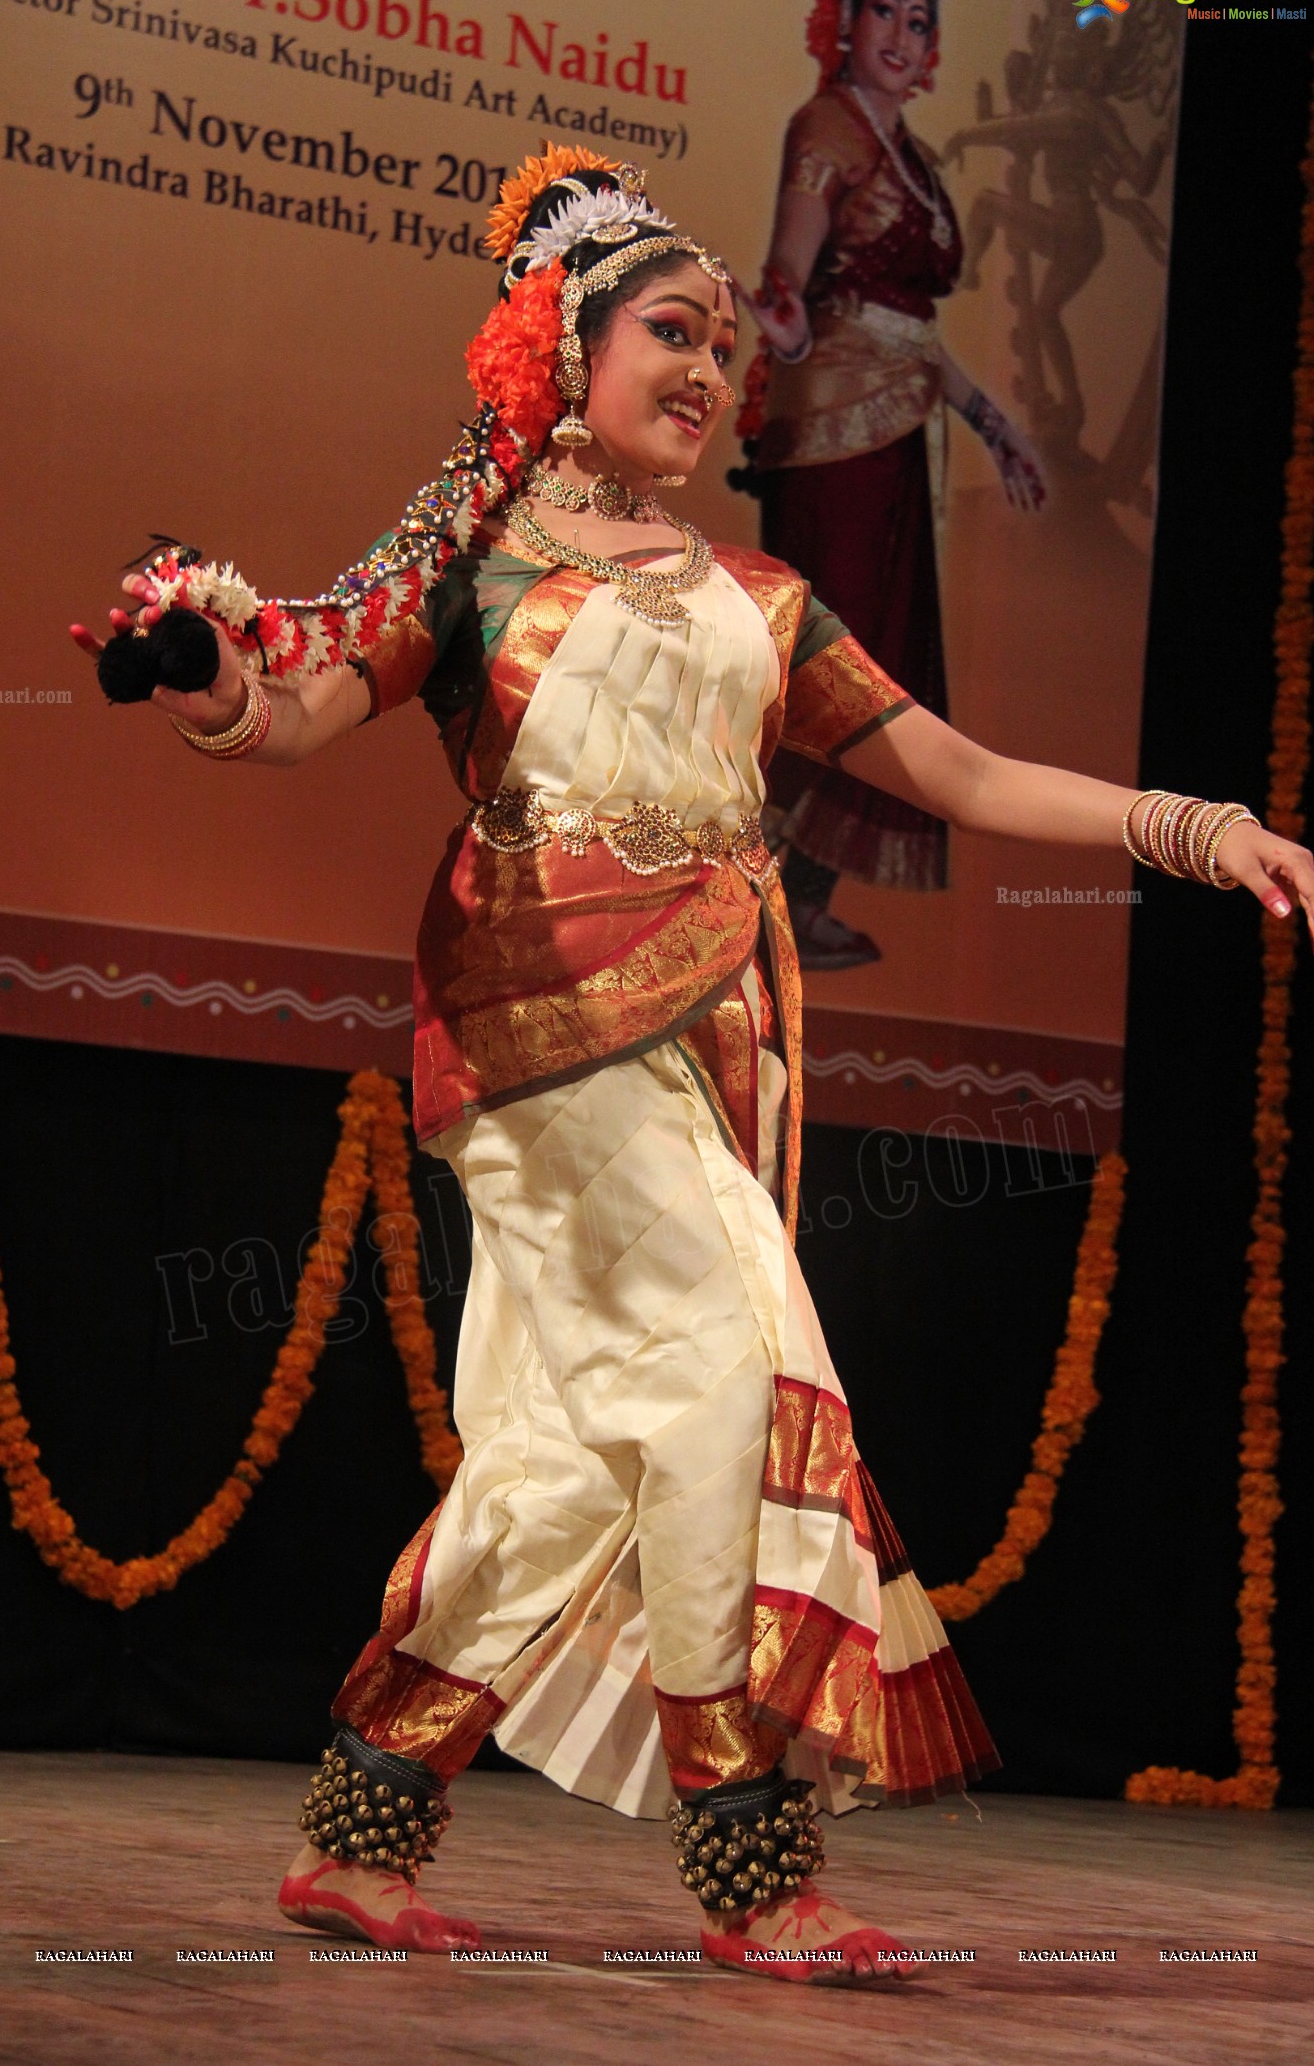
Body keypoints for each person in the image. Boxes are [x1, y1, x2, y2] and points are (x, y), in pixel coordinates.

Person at [72, 146, 1313, 1987]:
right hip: (533, 1038)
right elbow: (297, 702)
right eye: (671, 329)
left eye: (727, 347)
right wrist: (205, 671)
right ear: (559, 346)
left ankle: (362, 1825)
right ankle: (750, 1870)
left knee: (573, 1466)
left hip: (707, 1044)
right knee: (732, 1371)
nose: (710, 370)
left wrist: (1195, 827)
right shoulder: (479, 557)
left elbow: (963, 779)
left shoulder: (761, 596)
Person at [741, 0, 1044, 967]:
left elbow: (909, 330)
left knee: (883, 670)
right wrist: (781, 334)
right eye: (884, 10)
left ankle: (795, 896)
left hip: (896, 432)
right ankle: (745, 893)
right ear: (840, 20)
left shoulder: (904, 150)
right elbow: (790, 281)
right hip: (830, 437)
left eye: (921, 21)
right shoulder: (823, 127)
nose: (903, 35)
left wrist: (992, 421)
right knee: (835, 661)